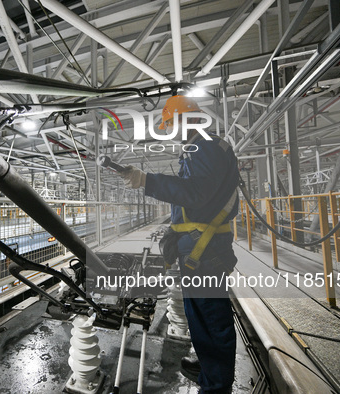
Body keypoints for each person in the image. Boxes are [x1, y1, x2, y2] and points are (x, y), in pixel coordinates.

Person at [119, 95, 239, 394]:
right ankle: (211, 367)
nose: (171, 132)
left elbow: (196, 193)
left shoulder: (206, 146)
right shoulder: (201, 148)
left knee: (211, 316)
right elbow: (194, 198)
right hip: (200, 246)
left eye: (171, 125)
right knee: (200, 314)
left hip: (206, 249)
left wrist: (148, 180)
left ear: (187, 120)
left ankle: (217, 385)